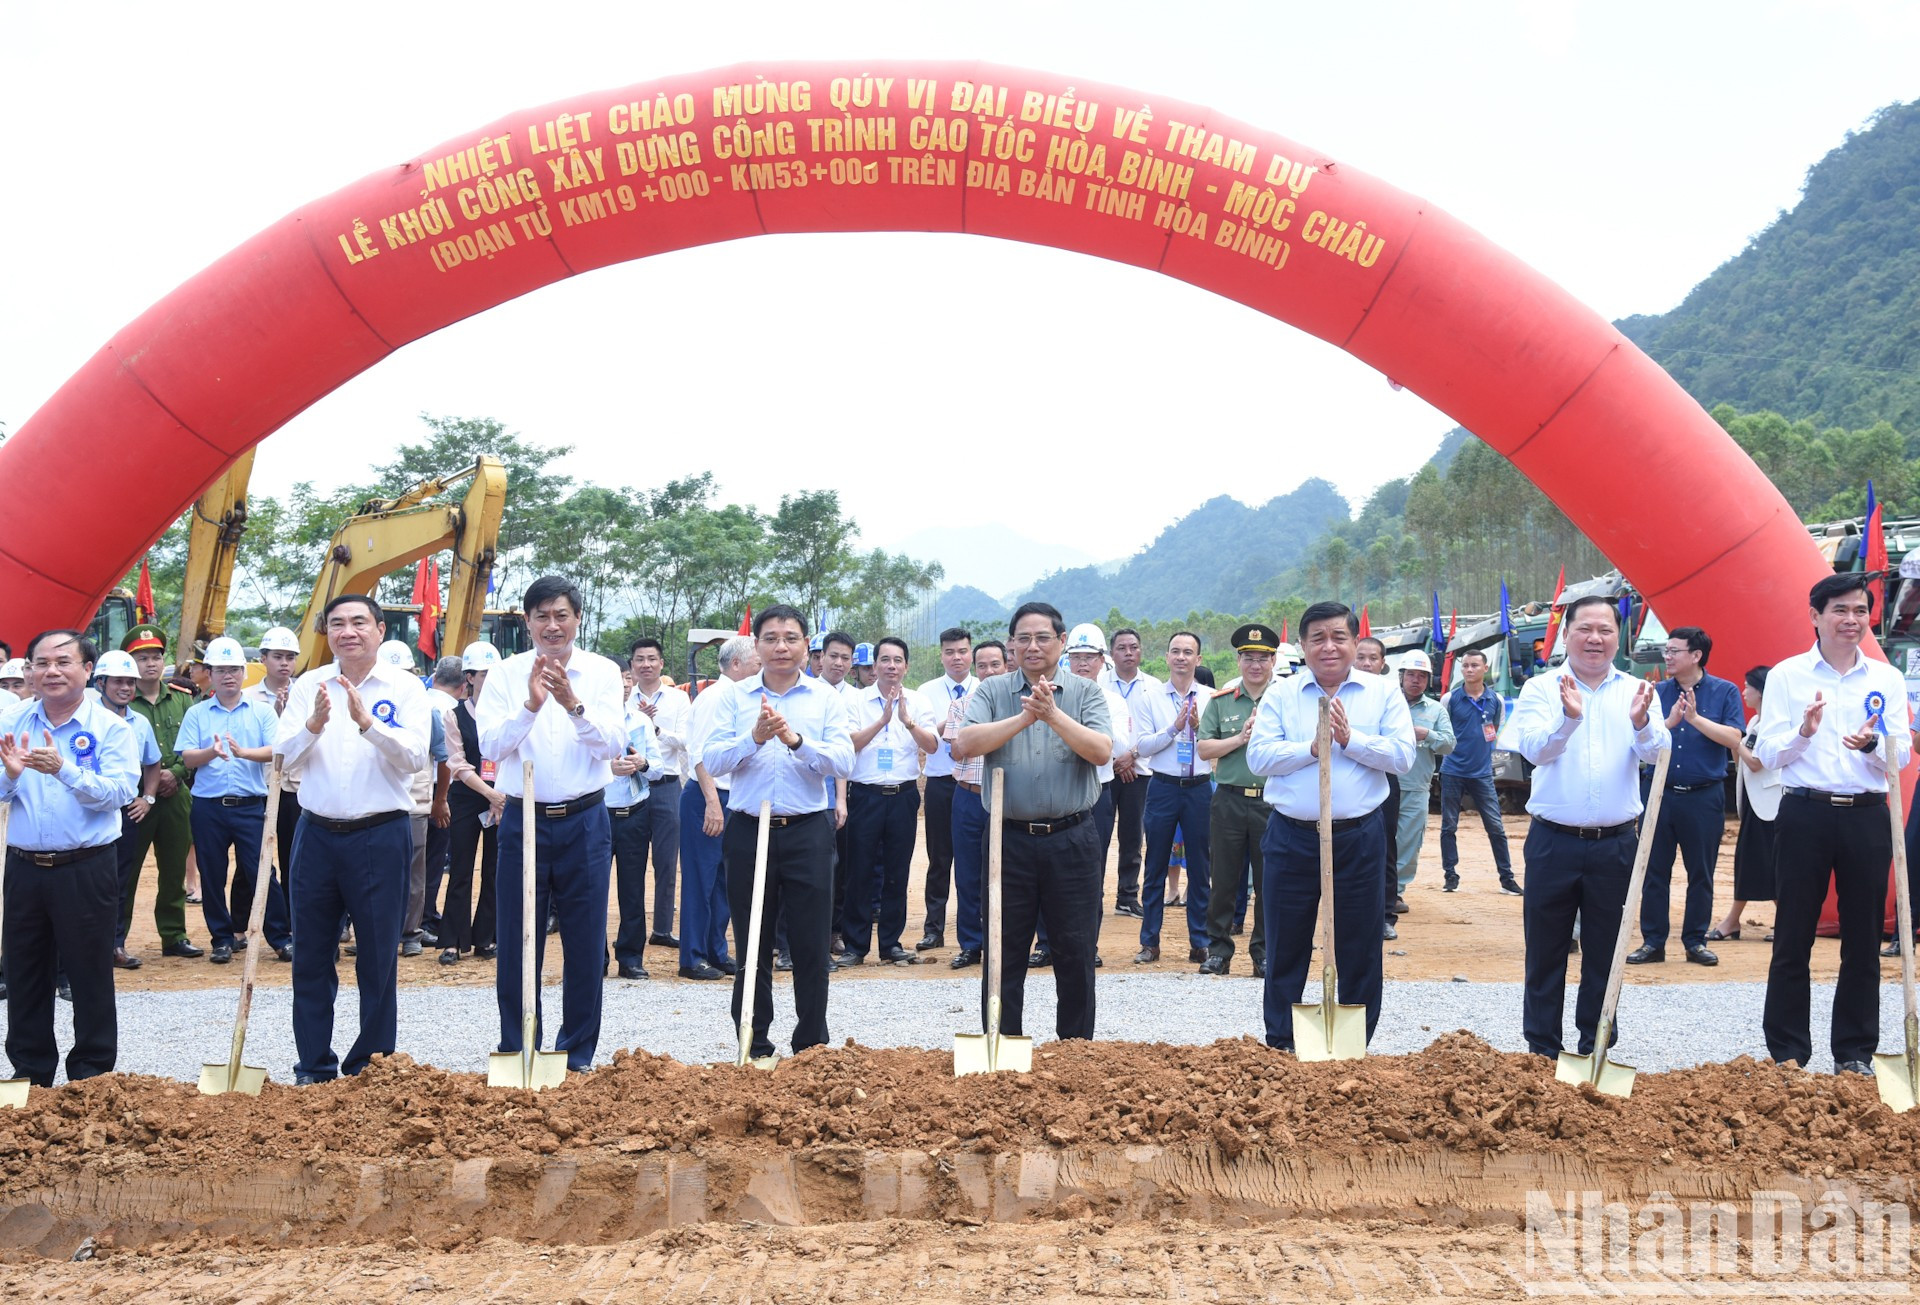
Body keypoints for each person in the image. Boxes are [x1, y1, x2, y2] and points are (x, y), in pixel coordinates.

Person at [1755, 573, 1910, 1075]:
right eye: (1840, 610)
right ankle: (1787, 1052)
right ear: (1815, 616)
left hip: (1867, 815)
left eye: (1860, 610)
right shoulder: (1788, 676)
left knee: (1863, 938)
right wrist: (1803, 733)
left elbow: (1901, 755)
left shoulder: (1885, 678)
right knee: (1793, 933)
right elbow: (1767, 753)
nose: (1852, 620)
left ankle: (1855, 1052)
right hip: (1805, 813)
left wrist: (1872, 745)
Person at [275, 594, 431, 1083]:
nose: (348, 632)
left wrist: (369, 724)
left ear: (380, 630)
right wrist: (312, 726)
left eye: (359, 622)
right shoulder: (309, 686)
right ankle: (313, 1064)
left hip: (380, 834)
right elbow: (283, 757)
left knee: (378, 956)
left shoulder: (406, 687)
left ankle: (372, 1063)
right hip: (316, 835)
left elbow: (415, 757)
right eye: (338, 623)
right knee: (311, 954)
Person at [1503, 595, 1667, 1060]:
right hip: (1553, 841)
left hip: (1616, 844)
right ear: (1566, 634)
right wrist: (1568, 720)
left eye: (1605, 630)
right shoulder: (1541, 689)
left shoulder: (1638, 690)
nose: (1595, 638)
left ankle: (1595, 1046)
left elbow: (1658, 752)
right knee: (1546, 950)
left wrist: (1641, 725)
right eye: (1585, 629)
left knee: (1605, 951)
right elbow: (1534, 751)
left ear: (1618, 636)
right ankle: (1541, 1050)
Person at [1247, 602, 1414, 1053]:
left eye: (1339, 636)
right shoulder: (1282, 695)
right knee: (1286, 942)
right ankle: (1282, 1042)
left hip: (1359, 837)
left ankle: (1352, 1045)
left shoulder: (1382, 693)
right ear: (1302, 645)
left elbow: (1402, 756)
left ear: (1355, 642)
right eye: (1317, 637)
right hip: (1291, 836)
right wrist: (1310, 749)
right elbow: (1259, 757)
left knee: (1360, 944)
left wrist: (1350, 741)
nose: (1329, 646)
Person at [475, 576, 626, 1075]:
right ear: (528, 622)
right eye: (542, 616)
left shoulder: (602, 672)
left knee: (585, 940)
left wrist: (572, 705)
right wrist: (532, 706)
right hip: (523, 819)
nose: (552, 625)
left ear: (577, 618)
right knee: (519, 937)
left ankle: (575, 1054)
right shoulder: (505, 674)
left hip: (585, 819)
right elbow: (490, 747)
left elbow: (612, 745)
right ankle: (519, 1047)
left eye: (561, 615)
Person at [954, 602, 1111, 1041]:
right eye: (1023, 638)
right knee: (1003, 950)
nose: (1033, 646)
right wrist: (1026, 717)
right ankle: (1003, 1046)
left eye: (1043, 637)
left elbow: (1101, 752)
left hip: (1072, 839)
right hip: (1008, 840)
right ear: (1012, 644)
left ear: (1061, 642)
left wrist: (1053, 715)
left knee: (1075, 950)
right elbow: (966, 743)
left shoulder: (1085, 692)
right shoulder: (992, 691)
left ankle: (1075, 1049)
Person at [704, 606, 854, 1060]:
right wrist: (753, 738)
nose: (781, 647)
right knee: (753, 939)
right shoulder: (734, 696)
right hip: (749, 830)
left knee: (811, 943)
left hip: (808, 831)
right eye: (770, 638)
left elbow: (844, 761)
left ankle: (811, 1044)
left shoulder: (824, 697)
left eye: (790, 638)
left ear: (806, 645)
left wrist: (797, 743)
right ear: (757, 646)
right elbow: (712, 760)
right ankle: (754, 1042)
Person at [1, 629, 140, 1086]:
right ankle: (29, 1072)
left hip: (86, 866)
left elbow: (119, 793)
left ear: (87, 669)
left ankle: (92, 1076)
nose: (52, 671)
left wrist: (65, 770)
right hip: (24, 867)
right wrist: (11, 776)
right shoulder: (12, 722)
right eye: (41, 663)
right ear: (30, 671)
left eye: (63, 662)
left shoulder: (112, 728)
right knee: (24, 972)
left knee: (89, 972)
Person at [1627, 627, 1745, 968]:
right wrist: (1669, 721)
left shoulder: (1724, 691)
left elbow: (1734, 737)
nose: (1667, 656)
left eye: (1674, 651)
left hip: (1703, 797)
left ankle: (1695, 942)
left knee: (1701, 872)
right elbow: (1641, 737)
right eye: (1667, 650)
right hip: (1658, 793)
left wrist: (1694, 719)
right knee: (1653, 871)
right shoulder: (1656, 692)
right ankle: (1653, 942)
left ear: (1696, 655)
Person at [175, 636, 293, 965]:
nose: (228, 676)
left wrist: (244, 753)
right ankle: (222, 939)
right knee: (212, 874)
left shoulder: (262, 712)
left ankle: (280, 938)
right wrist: (210, 753)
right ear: (209, 674)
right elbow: (187, 757)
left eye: (234, 670)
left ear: (244, 672)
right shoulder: (197, 713)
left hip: (250, 806)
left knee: (261, 871)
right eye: (221, 670)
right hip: (208, 807)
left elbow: (276, 750)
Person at [838, 637, 940, 966]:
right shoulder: (855, 702)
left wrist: (907, 721)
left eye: (898, 660)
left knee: (897, 871)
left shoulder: (919, 701)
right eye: (885, 660)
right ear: (874, 666)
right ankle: (855, 946)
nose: (891, 666)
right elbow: (849, 744)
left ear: (906, 666)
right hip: (865, 795)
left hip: (903, 796)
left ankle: (890, 944)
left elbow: (932, 746)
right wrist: (882, 720)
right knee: (859, 871)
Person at [1198, 623, 1280, 977]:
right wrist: (1240, 738)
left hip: (1272, 802)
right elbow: (1204, 749)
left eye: (1262, 658)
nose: (1255, 665)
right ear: (1238, 661)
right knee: (1224, 880)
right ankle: (1218, 951)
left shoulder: (1284, 700)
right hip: (1229, 800)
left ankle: (1263, 952)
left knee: (1269, 881)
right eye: (1248, 658)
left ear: (1273, 661)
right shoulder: (1221, 702)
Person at [1130, 631, 1213, 963]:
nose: (1181, 657)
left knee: (1200, 866)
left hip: (1200, 789)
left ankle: (1200, 941)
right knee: (1155, 864)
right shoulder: (1150, 697)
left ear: (1198, 659)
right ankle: (1149, 941)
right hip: (1163, 787)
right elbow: (1143, 746)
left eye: (1188, 652)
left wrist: (1199, 727)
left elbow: (1214, 744)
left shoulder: (1211, 697)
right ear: (1166, 657)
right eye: (1175, 651)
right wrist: (1175, 728)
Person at [677, 635, 758, 979]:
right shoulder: (715, 697)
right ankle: (693, 957)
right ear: (736, 664)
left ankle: (716, 950)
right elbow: (700, 754)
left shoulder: (740, 696)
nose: (761, 667)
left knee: (724, 879)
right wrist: (712, 802)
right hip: (707, 797)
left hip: (731, 798)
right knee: (701, 878)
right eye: (756, 661)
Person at [119, 624, 201, 959]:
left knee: (173, 869)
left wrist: (176, 773)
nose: (150, 663)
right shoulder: (122, 702)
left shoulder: (182, 699)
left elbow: (195, 743)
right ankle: (116, 939)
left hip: (176, 795)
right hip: (136, 799)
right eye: (142, 658)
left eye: (155, 657)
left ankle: (174, 935)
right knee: (126, 871)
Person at [377, 641, 451, 959]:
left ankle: (411, 933)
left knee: (414, 872)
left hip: (414, 802)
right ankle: (376, 931)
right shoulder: (367, 704)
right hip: (375, 803)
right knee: (374, 871)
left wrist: (440, 799)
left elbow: (444, 759)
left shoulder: (427, 711)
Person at [93, 649, 163, 970]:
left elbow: (153, 763)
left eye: (130, 682)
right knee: (85, 882)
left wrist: (147, 798)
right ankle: (82, 950)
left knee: (119, 881)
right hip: (90, 811)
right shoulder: (86, 718)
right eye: (118, 681)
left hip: (125, 813)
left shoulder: (141, 722)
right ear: (101, 683)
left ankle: (114, 945)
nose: (125, 688)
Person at [440, 641, 505, 965]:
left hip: (502, 797)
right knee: (461, 868)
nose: (489, 679)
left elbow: (510, 755)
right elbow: (457, 763)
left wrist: (499, 796)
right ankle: (453, 941)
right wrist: (489, 794)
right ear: (469, 677)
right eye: (483, 674)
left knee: (495, 869)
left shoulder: (507, 714)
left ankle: (486, 937)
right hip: (467, 798)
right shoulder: (454, 716)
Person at [946, 639, 1007, 970]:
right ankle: (971, 944)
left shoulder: (1022, 706)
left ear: (1007, 665)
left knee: (1014, 873)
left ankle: (1011, 943)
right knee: (968, 874)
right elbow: (957, 751)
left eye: (995, 664)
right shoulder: (961, 706)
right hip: (969, 796)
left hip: (1009, 799)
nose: (988, 671)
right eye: (982, 666)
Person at [1439, 648, 1519, 895]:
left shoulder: (1495, 701)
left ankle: (1507, 879)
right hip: (1452, 770)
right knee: (1449, 826)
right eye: (1465, 665)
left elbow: (1494, 728)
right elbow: (1443, 731)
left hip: (1482, 773)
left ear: (1485, 668)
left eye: (1474, 665)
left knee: (1496, 827)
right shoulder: (1449, 699)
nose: (1469, 669)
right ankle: (1450, 876)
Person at [627, 638, 690, 950]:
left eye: (652, 659)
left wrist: (655, 729)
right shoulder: (623, 699)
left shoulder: (678, 699)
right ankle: (632, 930)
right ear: (632, 666)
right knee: (632, 862)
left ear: (661, 663)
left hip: (666, 786)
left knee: (666, 862)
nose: (646, 665)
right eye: (640, 659)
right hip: (632, 786)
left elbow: (687, 741)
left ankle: (662, 929)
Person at [915, 627, 974, 952]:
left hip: (976, 785)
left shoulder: (986, 688)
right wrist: (953, 719)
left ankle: (976, 929)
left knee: (976, 860)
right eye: (950, 652)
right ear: (941, 656)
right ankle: (933, 929)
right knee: (939, 859)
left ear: (971, 653)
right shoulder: (926, 692)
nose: (956, 658)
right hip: (940, 784)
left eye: (962, 651)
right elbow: (926, 738)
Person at [1716, 665, 1779, 944]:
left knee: (1766, 862)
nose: (1744, 692)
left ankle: (1733, 920)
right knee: (1751, 861)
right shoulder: (1754, 721)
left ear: (1761, 691)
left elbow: (1755, 763)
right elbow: (1742, 761)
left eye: (1748, 687)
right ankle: (1735, 920)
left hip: (1771, 804)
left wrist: (1735, 741)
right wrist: (1736, 743)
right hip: (1753, 802)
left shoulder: (1775, 724)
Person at [607, 675, 662, 979]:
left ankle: (630, 958)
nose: (625, 685)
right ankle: (594, 958)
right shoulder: (590, 720)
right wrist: (609, 769)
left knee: (633, 889)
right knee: (591, 889)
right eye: (618, 680)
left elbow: (659, 769)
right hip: (598, 815)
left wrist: (643, 764)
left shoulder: (640, 721)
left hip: (635, 814)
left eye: (628, 679)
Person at [1392, 649, 1454, 913]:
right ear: (1401, 676)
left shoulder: (1436, 710)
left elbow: (1449, 744)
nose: (1415, 680)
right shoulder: (1388, 703)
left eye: (1422, 676)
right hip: (1382, 784)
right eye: (1410, 674)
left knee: (1408, 841)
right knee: (1374, 840)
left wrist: (1427, 734)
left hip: (1415, 787)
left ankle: (1395, 892)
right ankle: (1371, 890)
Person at [1354, 636, 1402, 940]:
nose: (1366, 663)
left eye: (1373, 658)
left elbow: (1397, 745)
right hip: (1347, 781)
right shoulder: (1341, 691)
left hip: (1383, 778)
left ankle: (1385, 915)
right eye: (1361, 657)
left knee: (1384, 845)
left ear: (1383, 663)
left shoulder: (1390, 694)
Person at [416, 655, 465, 945]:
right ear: (464, 686)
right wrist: (442, 800)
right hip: (441, 790)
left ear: (434, 678)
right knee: (433, 859)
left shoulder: (416, 701)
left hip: (409, 790)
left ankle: (413, 918)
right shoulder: (454, 711)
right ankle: (424, 917)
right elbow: (447, 759)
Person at [1107, 629, 1157, 918]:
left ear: (1141, 651)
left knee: (1132, 835)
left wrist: (1132, 756)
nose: (1128, 652)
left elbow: (1160, 731)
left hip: (1140, 771)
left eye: (1134, 647)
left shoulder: (1154, 687)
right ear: (1111, 653)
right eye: (1122, 647)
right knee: (1097, 835)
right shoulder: (1099, 684)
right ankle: (1093, 894)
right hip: (1104, 769)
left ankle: (1127, 896)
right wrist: (1117, 759)